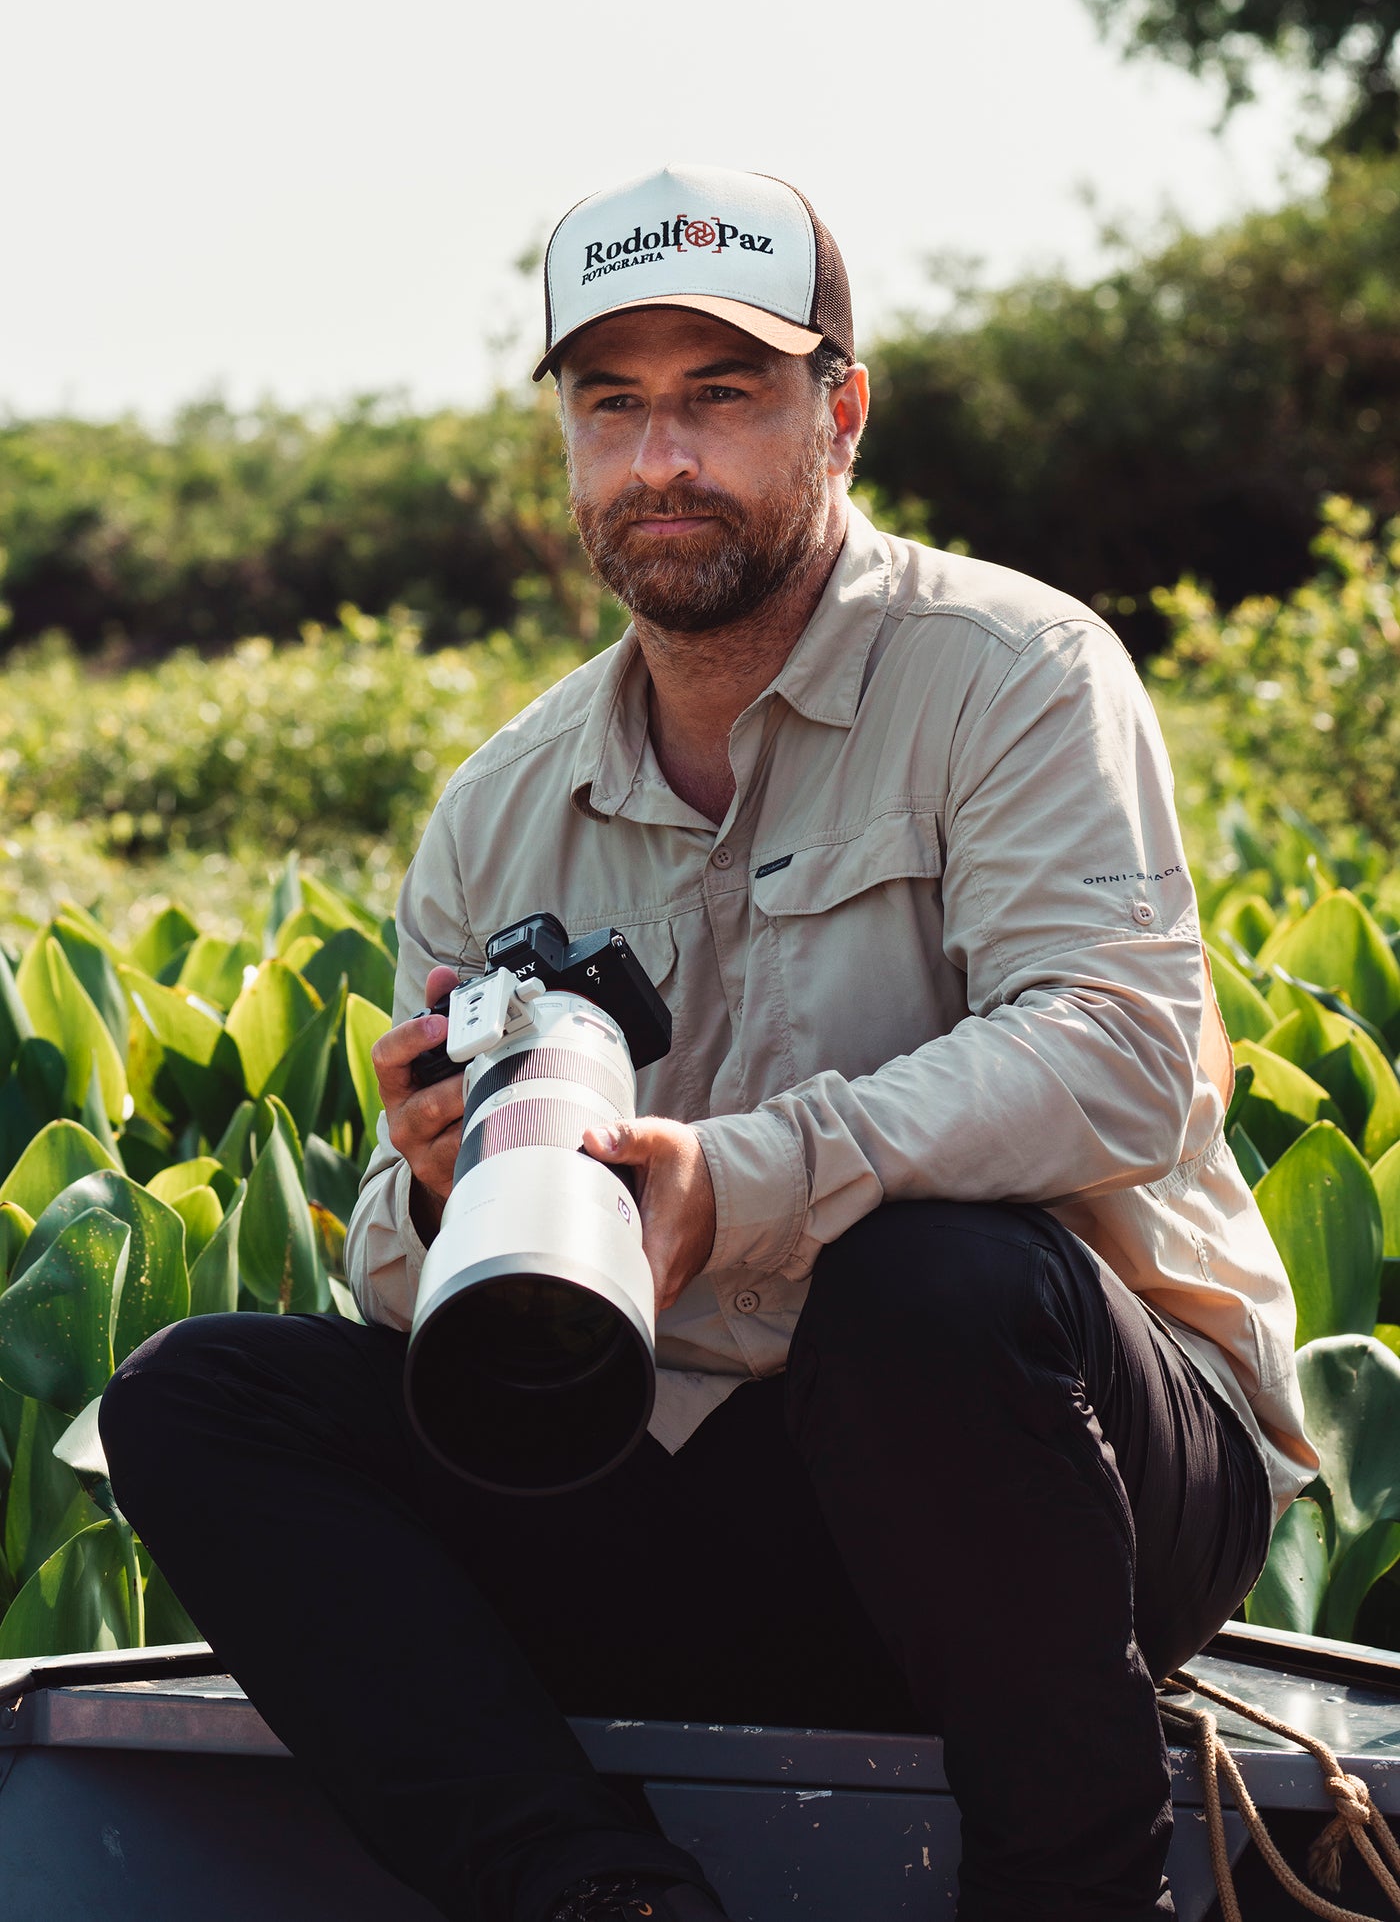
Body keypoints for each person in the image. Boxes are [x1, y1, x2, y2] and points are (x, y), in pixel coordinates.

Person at [100, 163, 1316, 1922]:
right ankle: (604, 1900)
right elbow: (392, 1263)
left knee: (929, 1284)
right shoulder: (501, 802)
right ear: (574, 447)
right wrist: (451, 1200)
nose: (661, 458)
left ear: (842, 414)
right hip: (709, 1489)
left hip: (1077, 1493)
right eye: (614, 406)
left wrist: (747, 1177)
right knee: (201, 1398)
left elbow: (1123, 1052)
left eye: (721, 395)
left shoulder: (1017, 670)